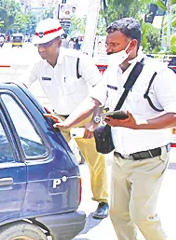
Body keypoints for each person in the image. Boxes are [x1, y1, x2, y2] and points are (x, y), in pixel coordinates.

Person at [55, 17, 176, 240]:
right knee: (117, 212)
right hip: (121, 156)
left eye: (114, 44)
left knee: (141, 214)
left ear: (132, 44)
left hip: (150, 157)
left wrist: (139, 124)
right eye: (107, 44)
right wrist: (69, 122)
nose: (108, 49)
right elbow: (94, 99)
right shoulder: (112, 72)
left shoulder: (159, 74)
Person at [21, 18, 110, 219]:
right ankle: (52, 200)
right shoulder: (38, 65)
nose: (42, 50)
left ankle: (102, 200)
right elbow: (21, 86)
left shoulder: (79, 61)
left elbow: (101, 91)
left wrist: (94, 121)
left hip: (84, 118)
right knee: (51, 160)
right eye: (38, 46)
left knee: (95, 161)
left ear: (59, 42)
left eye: (46, 45)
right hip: (58, 119)